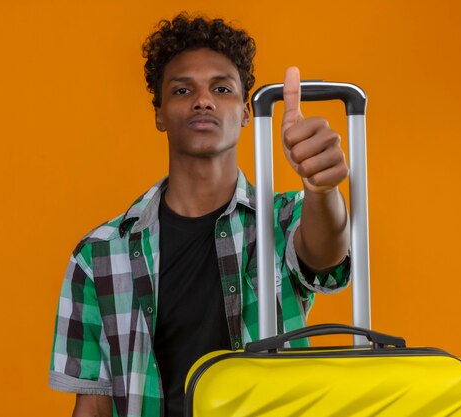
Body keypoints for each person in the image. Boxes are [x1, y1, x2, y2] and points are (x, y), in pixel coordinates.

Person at [49, 13, 351, 417]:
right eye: (181, 90)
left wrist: (321, 188)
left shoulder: (281, 219)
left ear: (246, 111)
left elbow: (324, 252)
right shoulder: (99, 255)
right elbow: (93, 407)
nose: (203, 100)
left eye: (222, 88)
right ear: (159, 114)